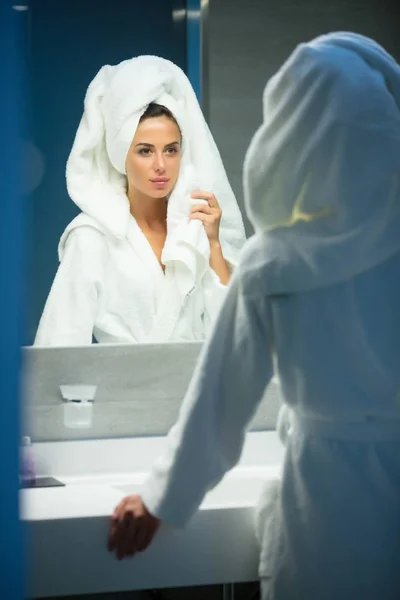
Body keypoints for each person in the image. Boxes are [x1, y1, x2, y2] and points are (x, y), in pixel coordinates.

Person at [107, 32, 400, 600]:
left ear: (289, 142)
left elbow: (219, 404)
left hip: (329, 502)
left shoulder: (277, 261)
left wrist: (162, 498)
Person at [34, 56, 246, 346]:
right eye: (145, 151)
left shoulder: (193, 230)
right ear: (121, 154)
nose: (161, 165)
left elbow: (233, 338)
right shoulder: (92, 237)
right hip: (120, 390)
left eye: (171, 150)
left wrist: (214, 244)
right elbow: (58, 347)